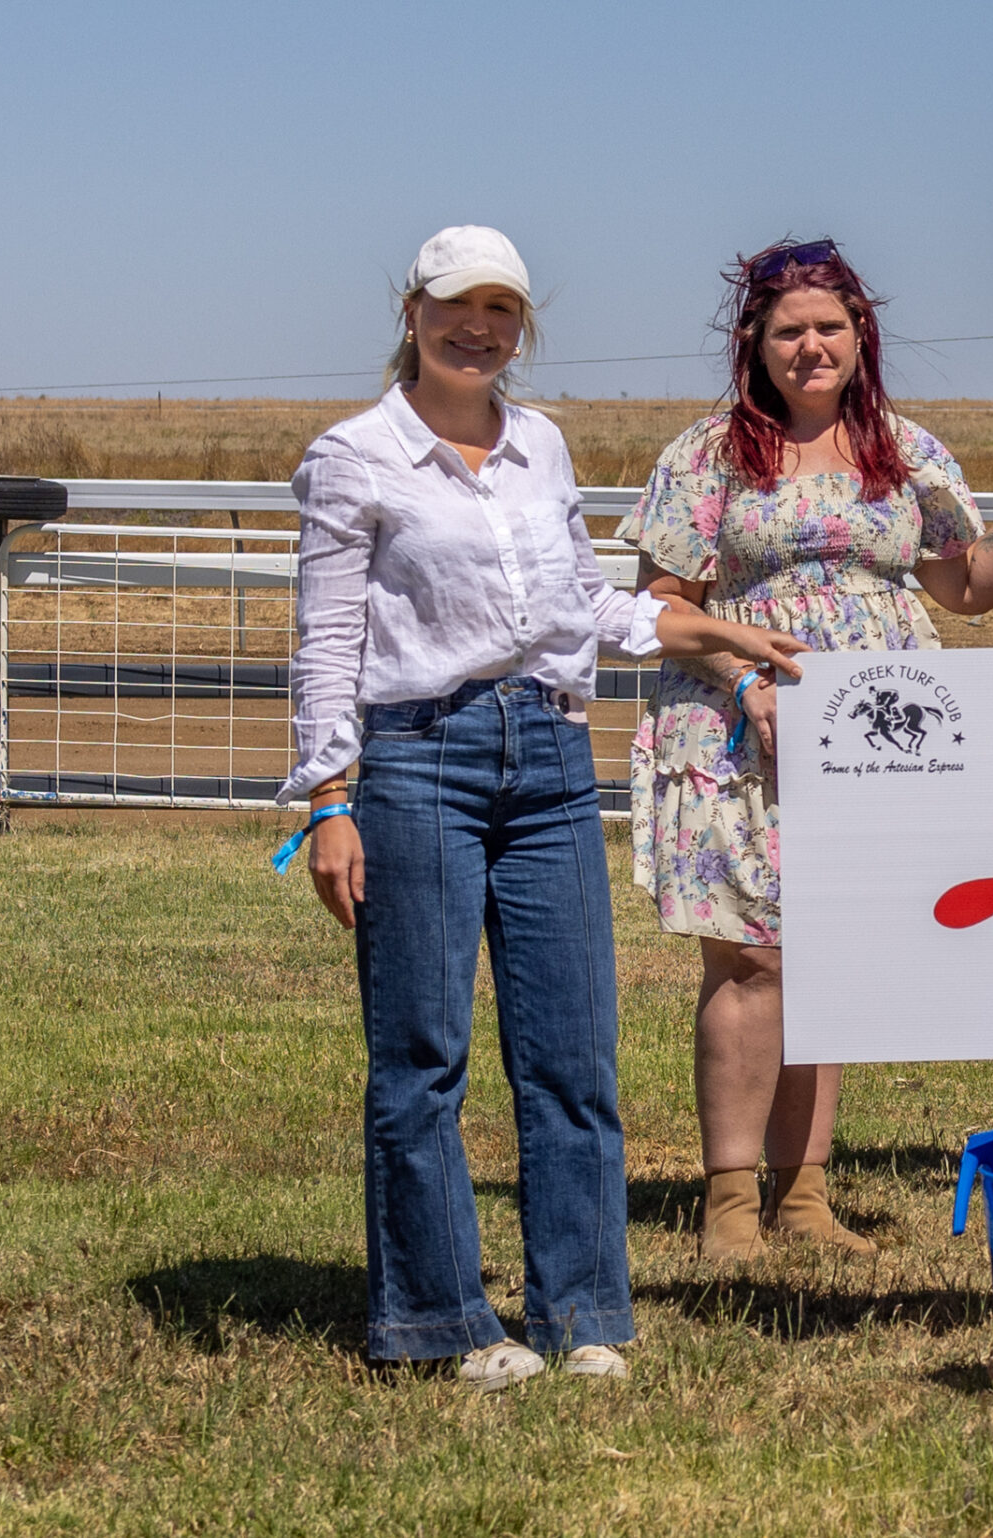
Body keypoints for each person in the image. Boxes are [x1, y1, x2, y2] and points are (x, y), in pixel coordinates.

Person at [284, 225, 807, 1391]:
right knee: (422, 1053)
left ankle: (582, 1309)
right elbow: (327, 639)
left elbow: (581, 609)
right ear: (410, 312)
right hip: (419, 758)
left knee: (571, 1049)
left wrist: (712, 628)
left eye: (502, 311)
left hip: (552, 754)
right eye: (456, 306)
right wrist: (328, 796)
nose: (479, 329)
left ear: (524, 327)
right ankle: (439, 1317)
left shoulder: (543, 447)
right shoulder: (353, 456)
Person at [623, 238, 993, 1263]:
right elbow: (662, 606)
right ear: (755, 342)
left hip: (875, 745)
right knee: (751, 958)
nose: (810, 346)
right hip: (738, 730)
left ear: (859, 333)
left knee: (832, 961)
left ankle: (806, 1196)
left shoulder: (906, 452)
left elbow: (968, 585)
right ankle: (731, 1200)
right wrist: (748, 679)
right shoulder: (707, 456)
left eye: (828, 326)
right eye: (788, 329)